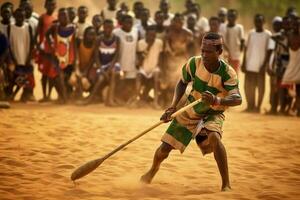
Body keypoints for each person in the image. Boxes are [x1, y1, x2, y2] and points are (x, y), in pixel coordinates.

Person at [140, 32, 242, 192]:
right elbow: (182, 82)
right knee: (164, 149)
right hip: (191, 110)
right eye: (202, 50)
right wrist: (173, 106)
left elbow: (237, 99)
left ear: (219, 51)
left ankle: (226, 184)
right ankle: (153, 169)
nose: (204, 54)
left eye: (208, 51)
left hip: (214, 112)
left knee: (215, 138)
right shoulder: (194, 63)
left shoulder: (228, 73)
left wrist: (217, 100)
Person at [84, 19, 120, 106]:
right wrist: (102, 70)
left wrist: (109, 70)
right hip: (102, 65)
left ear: (113, 28)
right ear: (103, 28)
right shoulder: (99, 39)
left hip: (112, 64)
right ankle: (90, 99)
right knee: (100, 78)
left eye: (110, 27)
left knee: (113, 74)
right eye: (106, 27)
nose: (108, 29)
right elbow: (96, 57)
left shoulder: (117, 39)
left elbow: (116, 57)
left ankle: (110, 100)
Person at [161, 13, 193, 107]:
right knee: (169, 82)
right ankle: (167, 101)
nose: (178, 23)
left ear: (183, 22)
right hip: (170, 60)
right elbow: (165, 49)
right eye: (177, 21)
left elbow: (190, 49)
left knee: (180, 81)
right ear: (173, 22)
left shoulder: (187, 33)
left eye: (181, 21)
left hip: (182, 60)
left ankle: (179, 103)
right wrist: (171, 54)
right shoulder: (169, 33)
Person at [242, 14, 271, 113]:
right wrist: (244, 62)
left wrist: (265, 65)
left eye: (260, 21)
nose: (258, 23)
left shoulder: (268, 34)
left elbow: (269, 51)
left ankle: (258, 107)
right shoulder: (251, 33)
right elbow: (245, 48)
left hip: (260, 66)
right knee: (248, 86)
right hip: (249, 64)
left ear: (264, 22)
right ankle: (250, 106)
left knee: (261, 87)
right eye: (256, 21)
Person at [46, 7, 76, 103]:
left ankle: (68, 97)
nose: (63, 17)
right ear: (58, 17)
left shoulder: (73, 28)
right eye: (61, 15)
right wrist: (51, 43)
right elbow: (47, 34)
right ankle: (62, 97)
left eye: (65, 15)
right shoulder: (55, 27)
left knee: (68, 78)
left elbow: (75, 44)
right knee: (56, 77)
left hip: (70, 59)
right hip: (58, 59)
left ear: (68, 16)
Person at [132, 25, 163, 108]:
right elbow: (140, 61)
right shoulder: (141, 43)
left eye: (154, 35)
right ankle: (135, 101)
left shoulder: (159, 42)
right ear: (146, 35)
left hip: (154, 68)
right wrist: (148, 46)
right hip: (143, 68)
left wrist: (158, 67)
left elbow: (160, 56)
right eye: (150, 35)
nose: (152, 37)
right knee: (138, 77)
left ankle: (155, 102)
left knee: (157, 78)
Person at [8, 8, 35, 102]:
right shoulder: (10, 27)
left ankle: (16, 95)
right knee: (13, 77)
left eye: (22, 16)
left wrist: (29, 57)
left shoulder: (28, 27)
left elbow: (32, 43)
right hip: (14, 57)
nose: (20, 18)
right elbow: (9, 44)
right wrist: (12, 58)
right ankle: (10, 94)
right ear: (14, 17)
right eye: (18, 16)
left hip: (25, 57)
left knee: (24, 76)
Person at [113, 14, 138, 103]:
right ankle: (117, 99)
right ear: (122, 23)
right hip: (120, 62)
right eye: (127, 22)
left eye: (131, 22)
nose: (129, 24)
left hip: (131, 62)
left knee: (130, 83)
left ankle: (129, 100)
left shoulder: (135, 31)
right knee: (119, 82)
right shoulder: (116, 32)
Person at [36, 0, 57, 102]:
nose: (51, 6)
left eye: (53, 5)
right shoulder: (42, 18)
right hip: (44, 51)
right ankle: (44, 95)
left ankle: (49, 95)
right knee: (44, 74)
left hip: (53, 51)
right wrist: (38, 46)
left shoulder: (56, 18)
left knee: (51, 73)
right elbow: (37, 34)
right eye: (49, 4)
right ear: (45, 5)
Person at [69, 26, 98, 100]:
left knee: (85, 83)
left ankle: (87, 95)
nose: (91, 37)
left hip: (88, 69)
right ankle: (77, 92)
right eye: (89, 34)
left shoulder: (95, 45)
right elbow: (76, 58)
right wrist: (77, 70)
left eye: (93, 35)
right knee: (73, 80)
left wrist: (85, 72)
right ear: (85, 34)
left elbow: (91, 61)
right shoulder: (79, 42)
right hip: (78, 67)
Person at [282, 15, 300, 117]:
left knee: (298, 91)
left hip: (298, 67)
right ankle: (289, 108)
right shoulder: (289, 36)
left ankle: (295, 109)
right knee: (286, 88)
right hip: (291, 65)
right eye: (294, 24)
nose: (296, 26)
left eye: (298, 25)